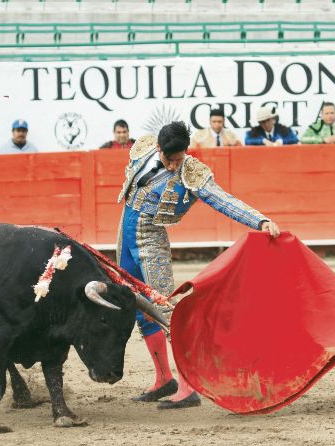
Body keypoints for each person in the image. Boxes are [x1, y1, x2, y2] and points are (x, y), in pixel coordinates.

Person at [116, 121, 281, 410]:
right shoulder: (142, 149)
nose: (173, 166)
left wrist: (260, 220)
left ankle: (187, 387)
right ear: (158, 149)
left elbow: (223, 200)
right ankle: (163, 378)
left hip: (151, 239)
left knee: (165, 309)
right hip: (125, 232)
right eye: (169, 160)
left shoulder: (191, 172)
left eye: (179, 159)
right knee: (139, 305)